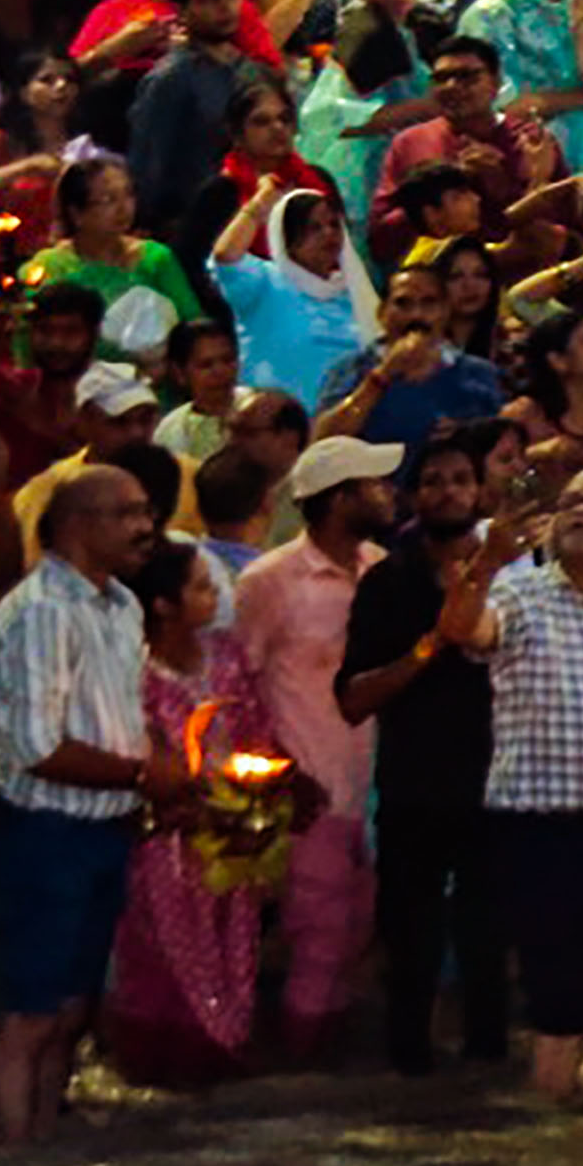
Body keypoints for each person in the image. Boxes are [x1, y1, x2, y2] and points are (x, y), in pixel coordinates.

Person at [451, 467, 583, 1104]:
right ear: (548, 524)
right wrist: (488, 562)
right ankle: (552, 1138)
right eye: (571, 502)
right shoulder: (519, 598)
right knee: (555, 994)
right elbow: (461, 629)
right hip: (539, 828)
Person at [0, 454, 167, 1143]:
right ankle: (9, 1155)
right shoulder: (40, 612)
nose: (147, 527)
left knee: (71, 1008)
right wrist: (143, 776)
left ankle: (42, 1146)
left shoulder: (120, 604)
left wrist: (155, 770)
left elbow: (120, 711)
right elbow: (37, 747)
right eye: (129, 514)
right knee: (31, 1012)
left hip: (103, 828)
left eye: (147, 512)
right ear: (77, 526)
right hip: (42, 832)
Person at [335, 427, 513, 1074]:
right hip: (413, 788)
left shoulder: (518, 579)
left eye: (460, 480)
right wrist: (429, 647)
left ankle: (491, 1078)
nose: (447, 493)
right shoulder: (387, 582)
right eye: (433, 481)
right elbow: (352, 698)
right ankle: (409, 1083)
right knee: (410, 946)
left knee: (488, 945)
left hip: (498, 786)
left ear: (482, 491)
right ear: (412, 497)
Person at [223, 431, 398, 1053]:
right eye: (371, 485)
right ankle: (303, 1070)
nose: (386, 493)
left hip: (375, 794)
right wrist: (277, 777)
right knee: (319, 939)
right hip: (309, 794)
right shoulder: (270, 581)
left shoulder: (382, 571)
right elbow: (237, 688)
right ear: (336, 498)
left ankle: (319, 1078)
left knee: (355, 936)